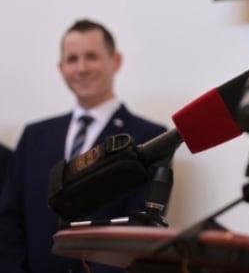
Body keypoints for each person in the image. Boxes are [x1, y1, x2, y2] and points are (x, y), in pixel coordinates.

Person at [0, 19, 167, 273]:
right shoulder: (33, 136)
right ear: (61, 68)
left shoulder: (150, 138)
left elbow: (139, 229)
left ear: (116, 61)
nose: (82, 68)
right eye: (72, 59)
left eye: (92, 56)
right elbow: (8, 219)